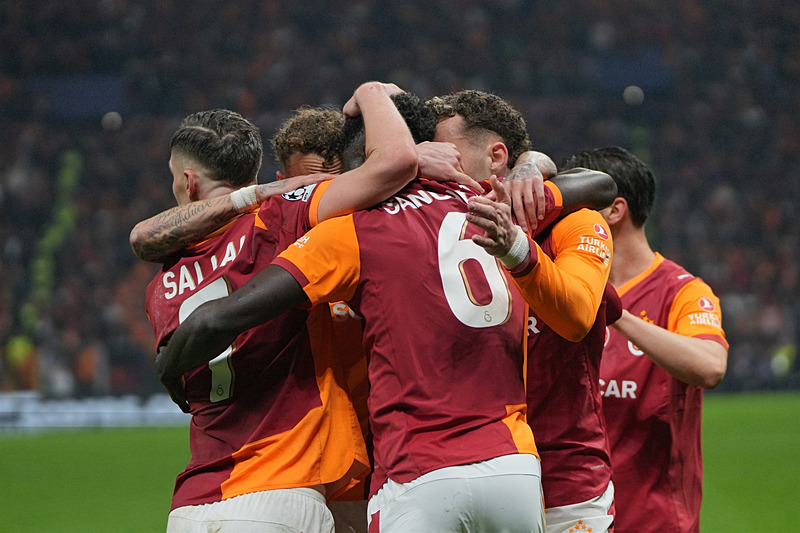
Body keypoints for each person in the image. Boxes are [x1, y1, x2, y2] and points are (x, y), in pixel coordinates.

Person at [153, 92, 611, 533]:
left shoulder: (348, 232)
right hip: (509, 466)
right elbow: (599, 184)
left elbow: (216, 316)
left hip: (407, 472)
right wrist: (531, 170)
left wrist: (171, 369)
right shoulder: (487, 209)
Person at [145, 82, 437, 533]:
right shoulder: (285, 221)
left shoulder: (162, 282)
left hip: (193, 503)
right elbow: (394, 165)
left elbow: (142, 237)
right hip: (288, 487)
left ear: (186, 182)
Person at [432, 89, 620, 532]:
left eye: (448, 152)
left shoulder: (573, 223)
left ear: (497, 157)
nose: (435, 163)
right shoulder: (434, 233)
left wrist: (519, 241)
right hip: (465, 476)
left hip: (566, 480)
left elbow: (578, 317)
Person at [562, 146, 728, 533]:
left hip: (654, 522)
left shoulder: (681, 291)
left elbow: (710, 366)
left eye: (572, 205)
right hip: (574, 518)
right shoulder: (563, 287)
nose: (562, 216)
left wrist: (618, 315)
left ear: (614, 211)